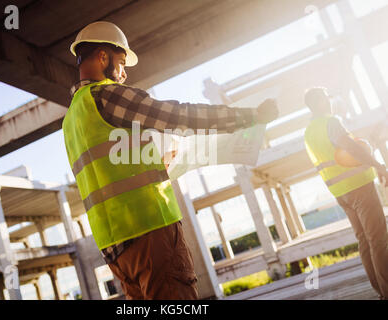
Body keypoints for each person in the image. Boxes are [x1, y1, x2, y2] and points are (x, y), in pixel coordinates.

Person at [62, 21, 279, 300]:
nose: (124, 73)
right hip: (152, 232)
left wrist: (156, 163)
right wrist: (248, 117)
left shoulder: (71, 120)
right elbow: (178, 116)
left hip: (115, 248)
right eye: (121, 62)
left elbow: (108, 172)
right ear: (103, 57)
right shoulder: (106, 94)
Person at [303, 87, 388, 300]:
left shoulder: (308, 133)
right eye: (327, 98)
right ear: (322, 101)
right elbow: (351, 147)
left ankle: (380, 290)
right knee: (378, 240)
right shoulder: (330, 122)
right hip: (359, 186)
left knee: (364, 240)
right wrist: (379, 165)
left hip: (341, 193)